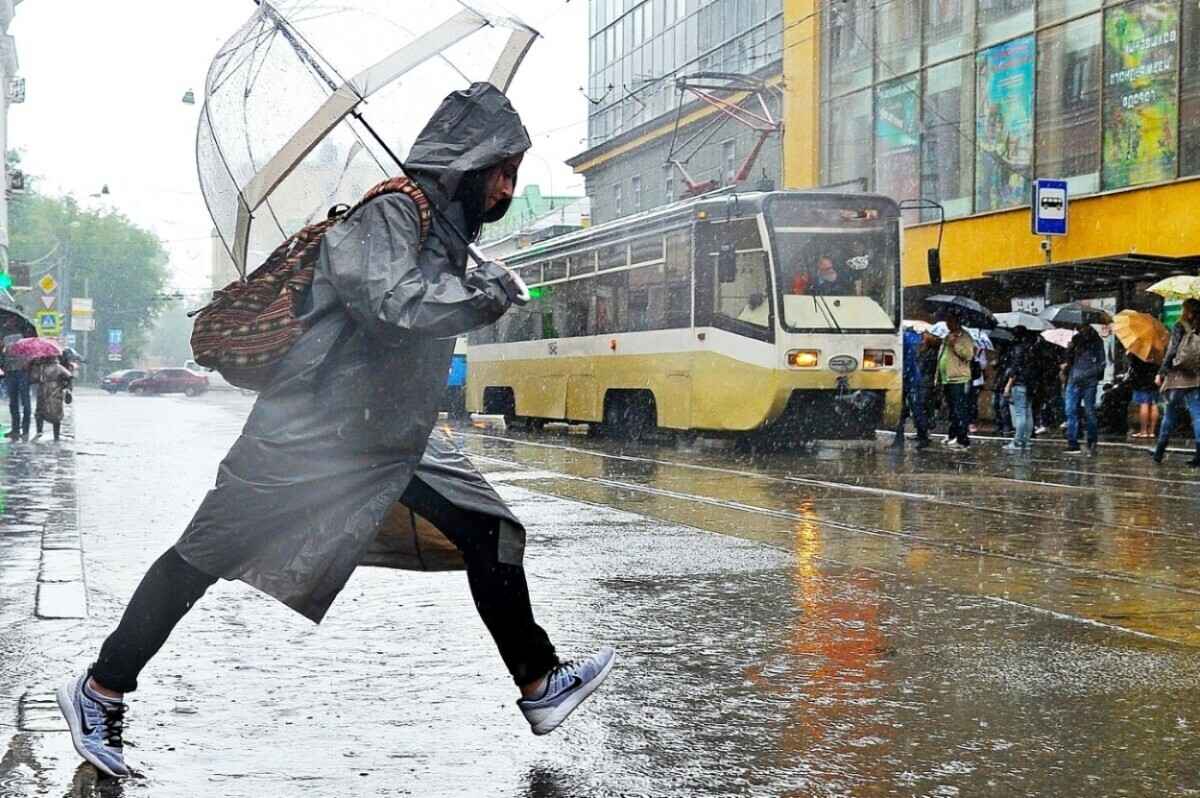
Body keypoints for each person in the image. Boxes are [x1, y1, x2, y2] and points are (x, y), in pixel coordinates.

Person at [55, 83, 615, 780]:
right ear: (468, 163)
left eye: (515, 175)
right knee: (201, 556)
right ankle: (102, 687)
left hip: (390, 438)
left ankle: (539, 683)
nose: (507, 188)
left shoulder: (440, 234)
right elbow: (390, 305)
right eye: (502, 170)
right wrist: (487, 292)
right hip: (311, 435)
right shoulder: (388, 214)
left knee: (489, 529)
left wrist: (468, 270)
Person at [1151, 298, 1200, 466]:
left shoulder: (1180, 326)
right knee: (1198, 416)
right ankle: (1199, 455)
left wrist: (1162, 371)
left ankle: (1159, 451)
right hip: (1197, 377)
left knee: (1170, 414)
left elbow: (1172, 351)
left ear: (1186, 310)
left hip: (1178, 377)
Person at [1061, 324, 1106, 454]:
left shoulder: (1094, 342)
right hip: (1079, 380)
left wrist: (1087, 373)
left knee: (1081, 410)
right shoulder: (1078, 341)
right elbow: (1069, 360)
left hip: (1083, 381)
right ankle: (1079, 441)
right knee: (1077, 411)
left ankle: (1082, 440)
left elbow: (1101, 363)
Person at [935, 314, 975, 448]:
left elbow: (968, 355)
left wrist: (955, 345)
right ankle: (953, 435)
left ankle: (962, 439)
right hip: (947, 379)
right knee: (952, 410)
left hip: (959, 379)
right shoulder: (948, 336)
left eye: (950, 321)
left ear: (957, 322)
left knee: (960, 409)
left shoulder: (965, 337)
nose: (947, 324)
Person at [892, 326, 931, 449]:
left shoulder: (903, 339)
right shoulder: (912, 338)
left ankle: (900, 439)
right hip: (912, 379)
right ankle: (922, 436)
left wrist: (901, 376)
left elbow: (906, 361)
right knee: (915, 409)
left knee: (905, 410)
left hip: (906, 379)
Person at [1002, 327, 1036, 452]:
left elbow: (1015, 369)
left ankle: (1017, 441)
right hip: (1030, 385)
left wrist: (1008, 385)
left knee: (1020, 414)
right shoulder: (1031, 349)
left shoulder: (1018, 350)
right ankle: (1026, 441)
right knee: (1028, 413)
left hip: (1019, 384)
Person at [32, 355, 72, 441]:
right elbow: (69, 376)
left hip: (49, 391)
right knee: (48, 413)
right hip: (50, 391)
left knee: (46, 412)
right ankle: (49, 434)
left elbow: (69, 377)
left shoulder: (50, 367)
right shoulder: (54, 367)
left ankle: (45, 433)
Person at [1126, 353, 1160, 439]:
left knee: (1144, 403)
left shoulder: (1140, 348)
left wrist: (1129, 354)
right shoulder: (1158, 348)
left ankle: (1143, 431)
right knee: (1154, 403)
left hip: (1141, 378)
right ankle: (1152, 431)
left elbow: (1133, 364)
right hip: (1155, 378)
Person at [3, 339, 32, 441]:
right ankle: (15, 430)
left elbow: (32, 355)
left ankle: (25, 431)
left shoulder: (26, 332)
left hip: (23, 373)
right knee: (13, 403)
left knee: (25, 402)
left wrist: (28, 362)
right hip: (10, 373)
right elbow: (3, 357)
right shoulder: (5, 333)